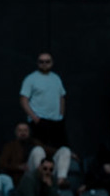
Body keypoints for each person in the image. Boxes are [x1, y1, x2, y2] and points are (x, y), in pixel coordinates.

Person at [19, 51, 72, 185]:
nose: (44, 64)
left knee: (63, 151)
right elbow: (23, 99)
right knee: (38, 150)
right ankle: (40, 179)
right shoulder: (31, 78)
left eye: (47, 61)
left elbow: (61, 97)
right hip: (40, 122)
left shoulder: (56, 78)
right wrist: (35, 118)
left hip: (56, 123)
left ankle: (60, 180)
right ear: (37, 63)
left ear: (52, 63)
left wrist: (61, 115)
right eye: (41, 61)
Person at [0, 121, 35, 186]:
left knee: (38, 150)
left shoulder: (34, 143)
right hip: (17, 177)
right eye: (20, 130)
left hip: (34, 174)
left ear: (29, 132)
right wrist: (18, 167)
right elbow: (2, 164)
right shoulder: (10, 146)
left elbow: (48, 150)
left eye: (25, 130)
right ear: (16, 132)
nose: (23, 133)